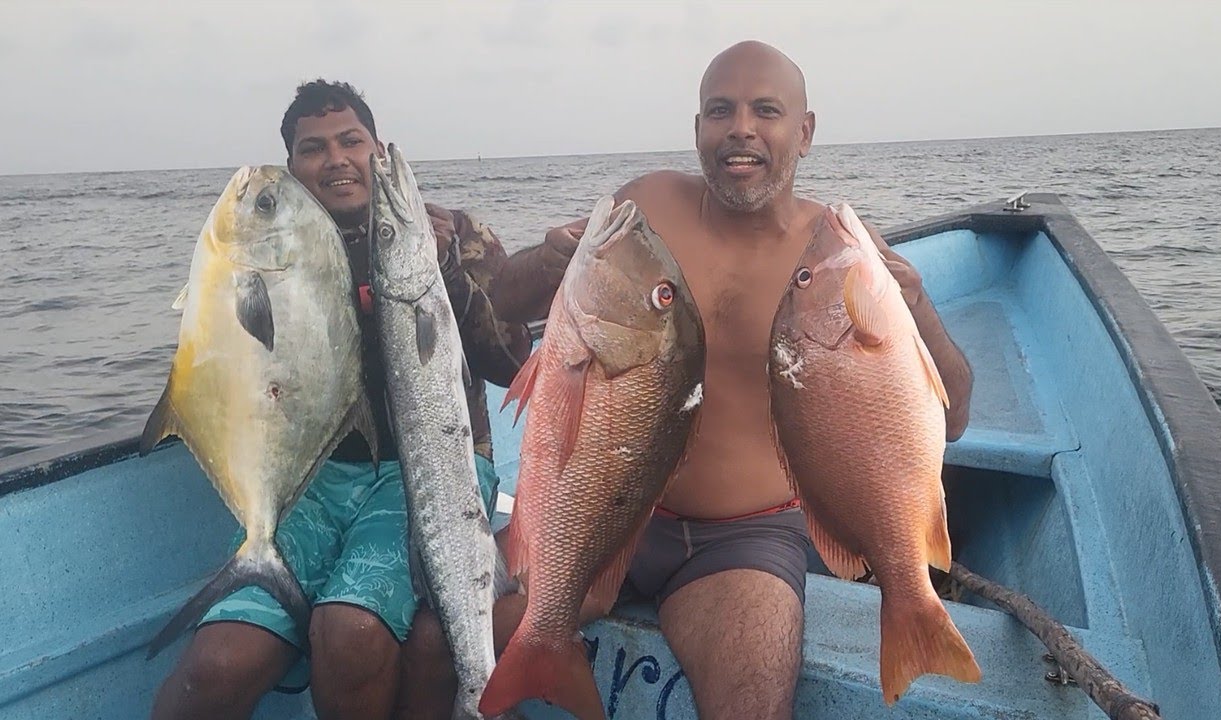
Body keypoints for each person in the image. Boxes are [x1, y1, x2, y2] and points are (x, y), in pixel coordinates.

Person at [479, 40, 975, 719]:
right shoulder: (639, 212)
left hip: (742, 540)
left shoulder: (838, 262)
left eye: (765, 110)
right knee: (447, 623)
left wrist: (916, 307)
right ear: (698, 130)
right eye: (721, 111)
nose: (741, 127)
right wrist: (544, 264)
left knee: (752, 697)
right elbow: (502, 308)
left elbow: (952, 417)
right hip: (602, 510)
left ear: (804, 132)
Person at [151, 79, 555, 720]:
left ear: (376, 146)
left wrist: (449, 270)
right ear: (292, 168)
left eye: (352, 141)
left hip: (435, 473)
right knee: (219, 663)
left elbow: (509, 367)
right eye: (314, 148)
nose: (336, 158)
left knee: (352, 632)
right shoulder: (270, 253)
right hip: (313, 477)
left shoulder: (450, 235)